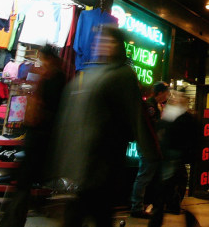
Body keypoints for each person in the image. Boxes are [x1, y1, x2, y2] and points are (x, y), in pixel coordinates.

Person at [51, 26, 159, 227]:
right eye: (99, 41)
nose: (102, 45)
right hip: (86, 162)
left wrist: (152, 154)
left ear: (118, 46)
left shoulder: (122, 75)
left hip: (105, 163)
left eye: (108, 41)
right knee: (91, 212)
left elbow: (138, 117)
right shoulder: (95, 73)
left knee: (92, 212)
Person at [0, 45, 66, 227]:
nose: (40, 61)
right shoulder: (51, 75)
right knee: (23, 184)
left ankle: (11, 221)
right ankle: (13, 220)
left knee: (23, 184)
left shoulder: (54, 77)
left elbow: (49, 109)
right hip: (37, 138)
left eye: (42, 58)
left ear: (48, 58)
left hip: (40, 139)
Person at [149, 91, 199, 227]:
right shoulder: (181, 116)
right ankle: (169, 212)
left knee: (164, 190)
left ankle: (159, 216)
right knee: (168, 189)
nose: (174, 99)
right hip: (171, 158)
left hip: (172, 157)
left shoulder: (178, 116)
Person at [130, 81, 170, 219]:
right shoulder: (150, 106)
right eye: (166, 92)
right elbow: (153, 127)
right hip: (149, 146)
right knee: (144, 176)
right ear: (160, 93)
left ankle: (145, 205)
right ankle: (136, 207)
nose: (168, 95)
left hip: (153, 146)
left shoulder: (156, 105)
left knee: (148, 177)